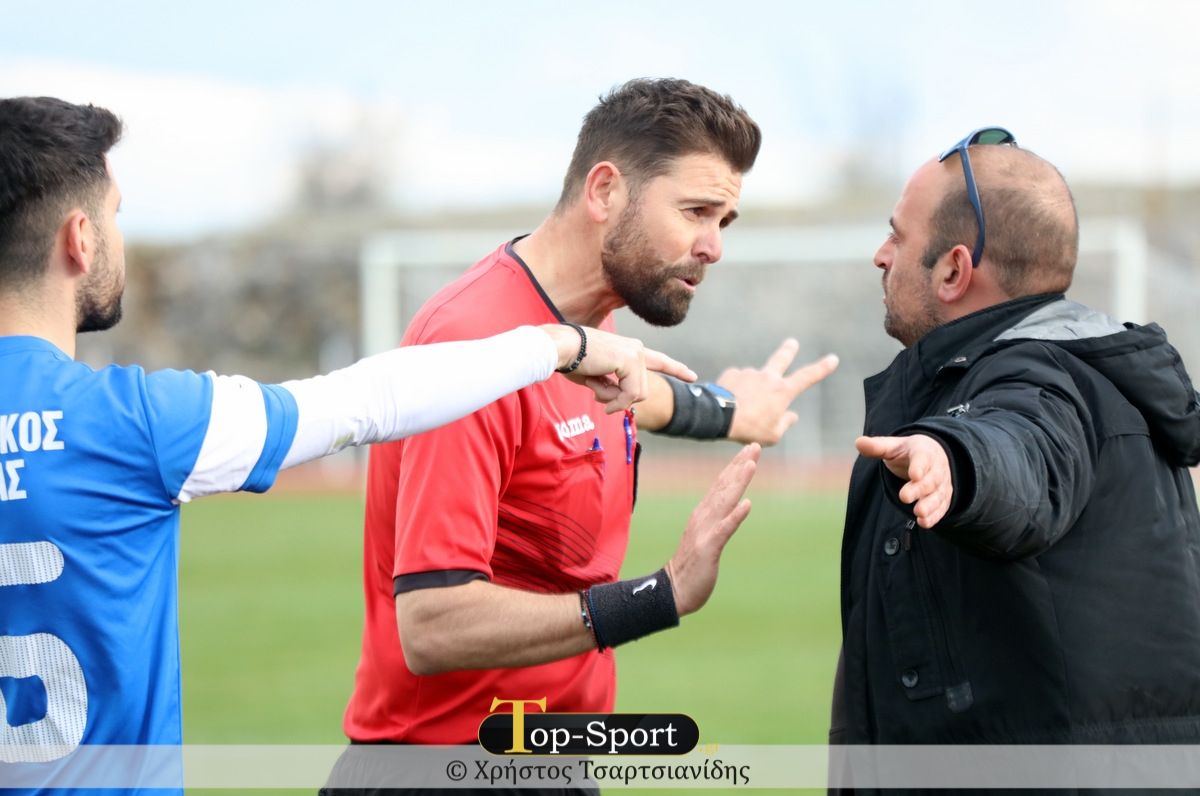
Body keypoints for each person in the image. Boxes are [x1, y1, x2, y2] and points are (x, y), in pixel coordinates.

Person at [0, 95, 697, 791]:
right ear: (81, 238)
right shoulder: (141, 423)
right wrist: (557, 345)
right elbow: (366, 404)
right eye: (117, 214)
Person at [326, 78, 838, 793]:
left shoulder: (590, 320)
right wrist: (661, 594)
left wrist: (728, 410)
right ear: (605, 191)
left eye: (725, 220)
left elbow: (609, 404)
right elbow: (432, 624)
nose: (714, 246)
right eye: (696, 211)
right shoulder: (473, 349)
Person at [831, 128, 1200, 791]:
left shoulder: (1040, 378)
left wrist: (955, 459)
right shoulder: (1054, 372)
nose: (880, 256)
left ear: (954, 271)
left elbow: (1024, 450)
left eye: (897, 237)